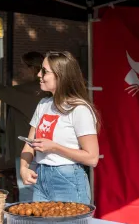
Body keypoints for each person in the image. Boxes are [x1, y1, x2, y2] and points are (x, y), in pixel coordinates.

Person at [20, 51, 99, 204]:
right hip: (40, 177)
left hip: (67, 179)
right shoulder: (43, 104)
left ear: (60, 75)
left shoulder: (79, 109)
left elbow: (92, 158)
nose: (38, 75)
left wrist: (55, 147)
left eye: (44, 71)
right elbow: (29, 144)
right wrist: (24, 168)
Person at [0, 52, 45, 202]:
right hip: (45, 149)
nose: (20, 70)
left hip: (27, 150)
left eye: (23, 67)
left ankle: (28, 223)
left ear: (33, 69)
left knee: (28, 192)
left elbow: (0, 91)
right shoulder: (46, 91)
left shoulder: (26, 91)